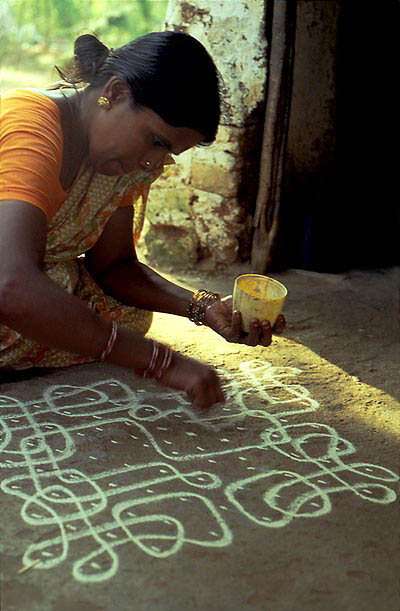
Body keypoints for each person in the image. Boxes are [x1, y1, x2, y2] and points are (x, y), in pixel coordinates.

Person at [0, 31, 285, 408]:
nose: (154, 163)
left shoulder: (123, 164)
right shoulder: (31, 126)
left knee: (125, 313)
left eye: (168, 153)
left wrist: (204, 306)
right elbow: (11, 282)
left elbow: (114, 265)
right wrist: (159, 361)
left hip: (23, 281)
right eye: (156, 141)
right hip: (8, 282)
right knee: (42, 294)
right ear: (115, 94)